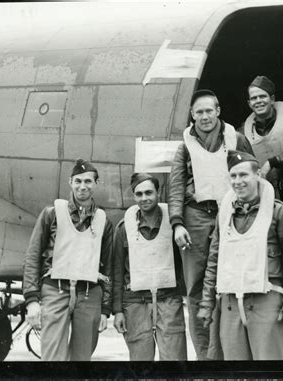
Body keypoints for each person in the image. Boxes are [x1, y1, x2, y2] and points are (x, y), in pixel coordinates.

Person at [168, 89, 254, 359]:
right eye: (198, 112)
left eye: (209, 110)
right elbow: (176, 186)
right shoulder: (184, 146)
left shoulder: (236, 138)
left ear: (218, 111)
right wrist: (177, 224)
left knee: (231, 280)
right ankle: (205, 355)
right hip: (195, 217)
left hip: (231, 215)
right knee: (195, 288)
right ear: (192, 116)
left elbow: (253, 176)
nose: (204, 116)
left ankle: (232, 351)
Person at [196, 150, 283, 360]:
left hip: (266, 299)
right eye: (233, 176)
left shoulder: (278, 212)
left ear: (258, 175)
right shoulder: (225, 214)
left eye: (244, 175)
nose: (238, 181)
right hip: (230, 305)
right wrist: (207, 303)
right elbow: (214, 261)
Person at [23, 158, 114, 361]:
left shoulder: (103, 221)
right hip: (55, 290)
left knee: (82, 361)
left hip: (89, 295)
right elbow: (32, 257)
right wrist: (31, 300)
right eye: (78, 181)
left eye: (88, 181)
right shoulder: (51, 214)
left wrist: (105, 310)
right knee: (53, 359)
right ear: (70, 182)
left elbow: (108, 268)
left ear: (96, 184)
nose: (83, 186)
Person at [112, 173, 187, 361]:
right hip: (135, 303)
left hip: (168, 301)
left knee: (175, 361)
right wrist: (118, 310)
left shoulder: (174, 223)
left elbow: (184, 263)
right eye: (139, 194)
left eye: (148, 193)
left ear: (158, 192)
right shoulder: (124, 228)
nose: (144, 198)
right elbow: (118, 271)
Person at [241, 75, 283, 201]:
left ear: (272, 99)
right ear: (249, 104)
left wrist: (272, 162)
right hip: (263, 191)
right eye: (254, 98)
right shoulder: (243, 132)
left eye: (262, 96)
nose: (258, 101)